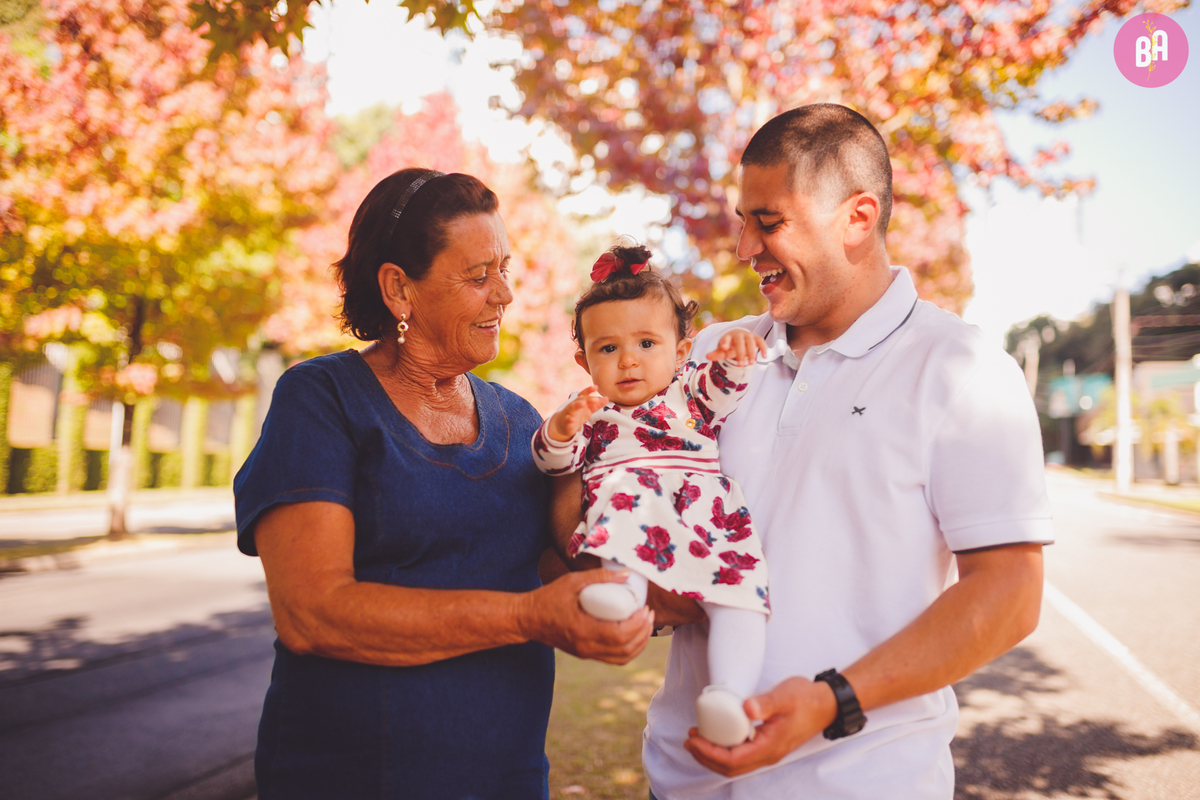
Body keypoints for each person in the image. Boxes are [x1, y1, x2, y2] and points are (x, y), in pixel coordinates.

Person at [638, 104, 1054, 798]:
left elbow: (1009, 593)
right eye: (744, 221)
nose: (744, 249)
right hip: (680, 782)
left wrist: (833, 700)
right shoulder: (711, 355)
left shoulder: (962, 368)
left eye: (767, 223)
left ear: (857, 219)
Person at [233, 168, 654, 800]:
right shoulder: (322, 399)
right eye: (478, 276)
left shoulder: (520, 422)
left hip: (506, 778)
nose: (505, 294)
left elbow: (558, 567)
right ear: (400, 290)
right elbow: (312, 613)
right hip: (349, 779)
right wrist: (527, 617)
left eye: (504, 269)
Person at [531, 244, 770, 747]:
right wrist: (558, 430)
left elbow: (723, 387)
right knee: (623, 499)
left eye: (646, 343)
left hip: (707, 519)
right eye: (609, 349)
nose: (629, 362)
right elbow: (555, 462)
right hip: (633, 515)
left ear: (681, 352)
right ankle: (624, 593)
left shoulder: (689, 391)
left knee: (740, 598)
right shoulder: (590, 410)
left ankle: (728, 694)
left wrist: (734, 357)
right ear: (585, 360)